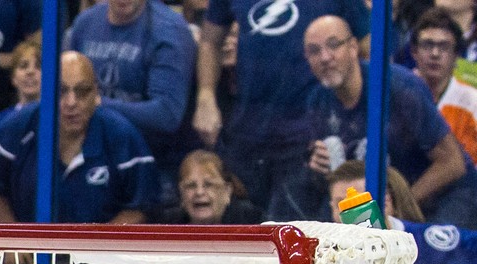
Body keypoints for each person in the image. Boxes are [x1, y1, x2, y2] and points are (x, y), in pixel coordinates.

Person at [289, 14, 477, 227]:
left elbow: (452, 164)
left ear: (353, 47)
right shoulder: (317, 100)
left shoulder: (399, 87)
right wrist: (317, 165)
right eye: (315, 50)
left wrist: (398, 208)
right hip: (383, 201)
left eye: (334, 45)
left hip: (447, 196)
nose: (325, 57)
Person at [192, 0, 367, 212]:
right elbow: (210, 41)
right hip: (248, 132)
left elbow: (367, 46)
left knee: (294, 227)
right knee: (249, 229)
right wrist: (205, 96)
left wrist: (346, 116)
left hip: (307, 137)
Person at [0, 52, 158, 223]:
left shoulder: (122, 136)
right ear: (45, 93)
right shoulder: (14, 129)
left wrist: (95, 248)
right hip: (30, 251)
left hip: (98, 253)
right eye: (61, 91)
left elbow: (141, 206)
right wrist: (14, 239)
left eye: (82, 91)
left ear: (96, 93)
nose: (71, 102)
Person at [65, 0, 196, 199]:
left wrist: (97, 104)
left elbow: (167, 115)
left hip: (153, 163)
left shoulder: (169, 30)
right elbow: (60, 87)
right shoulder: (86, 23)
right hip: (91, 156)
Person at [328, 159, 476, 264]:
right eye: (340, 204)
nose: (346, 214)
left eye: (357, 204)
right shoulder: (328, 259)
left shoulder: (429, 245)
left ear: (386, 201)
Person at [410, 9, 477, 165]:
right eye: (427, 45)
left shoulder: (473, 102)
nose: (435, 53)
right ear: (414, 51)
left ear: (456, 54)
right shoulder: (399, 95)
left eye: (444, 46)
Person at [156, 148, 261, 224]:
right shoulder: (165, 227)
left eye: (208, 184)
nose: (199, 192)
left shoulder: (254, 223)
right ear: (181, 193)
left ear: (227, 191)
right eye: (191, 186)